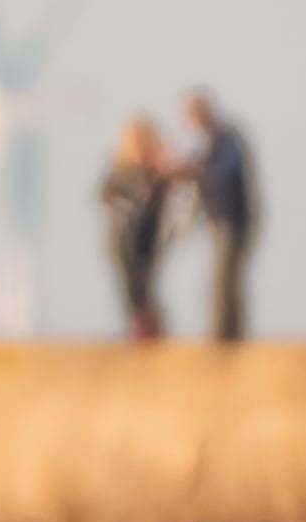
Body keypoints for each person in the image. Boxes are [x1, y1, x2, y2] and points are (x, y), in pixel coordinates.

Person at [182, 89, 259, 341]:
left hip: (233, 220)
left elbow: (221, 170)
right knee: (223, 280)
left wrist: (191, 169)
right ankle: (227, 337)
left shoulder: (227, 138)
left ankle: (225, 338)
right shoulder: (210, 141)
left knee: (225, 280)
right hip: (219, 220)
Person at [99, 115, 176, 341]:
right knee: (129, 289)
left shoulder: (158, 173)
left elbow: (169, 203)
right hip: (122, 239)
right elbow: (105, 196)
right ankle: (138, 334)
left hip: (148, 239)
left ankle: (153, 335)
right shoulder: (119, 169)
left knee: (146, 288)